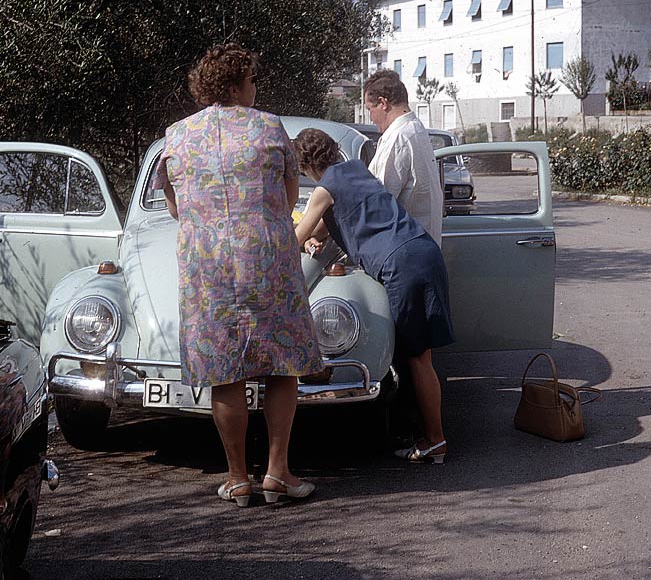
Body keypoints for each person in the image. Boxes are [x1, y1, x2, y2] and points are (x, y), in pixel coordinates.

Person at [153, 43, 323, 506]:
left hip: (208, 269)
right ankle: (278, 472)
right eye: (251, 79)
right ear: (234, 84)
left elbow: (174, 205)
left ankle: (236, 477)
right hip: (268, 261)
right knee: (281, 365)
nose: (256, 87)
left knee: (225, 371)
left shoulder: (177, 136)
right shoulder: (270, 127)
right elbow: (289, 196)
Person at [293, 128, 453, 463]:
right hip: (423, 251)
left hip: (400, 263)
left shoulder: (323, 189)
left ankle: (435, 441)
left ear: (305, 165)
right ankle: (427, 434)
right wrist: (316, 238)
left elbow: (298, 236)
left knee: (417, 358)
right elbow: (334, 221)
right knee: (422, 357)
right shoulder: (355, 170)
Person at [363, 69, 442, 246]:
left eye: (369, 109)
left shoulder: (399, 137)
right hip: (419, 246)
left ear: (383, 103)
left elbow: (378, 203)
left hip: (405, 251)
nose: (371, 118)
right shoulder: (415, 128)